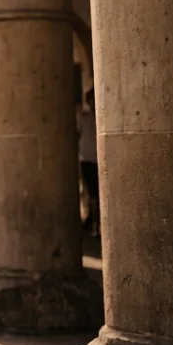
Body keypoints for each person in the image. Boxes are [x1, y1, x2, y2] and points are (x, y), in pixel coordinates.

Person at [77, 88, 99, 237]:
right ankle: (93, 223)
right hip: (87, 159)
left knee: (95, 194)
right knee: (91, 194)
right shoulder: (82, 117)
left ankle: (95, 224)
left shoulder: (102, 116)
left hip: (97, 159)